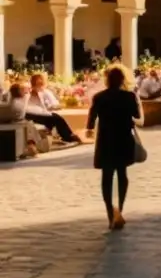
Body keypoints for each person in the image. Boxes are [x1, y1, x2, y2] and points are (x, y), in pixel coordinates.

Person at [85, 65, 144, 231]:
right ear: (123, 80)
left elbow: (91, 120)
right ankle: (120, 208)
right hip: (123, 137)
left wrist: (90, 129)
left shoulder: (99, 97)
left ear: (107, 80)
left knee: (107, 176)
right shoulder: (129, 96)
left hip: (105, 139)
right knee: (122, 173)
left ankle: (110, 212)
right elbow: (137, 116)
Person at [25, 73, 81, 144]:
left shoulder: (46, 93)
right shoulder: (27, 95)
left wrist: (50, 106)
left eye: (41, 83)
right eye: (37, 83)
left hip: (44, 114)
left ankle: (67, 136)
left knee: (57, 118)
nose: (39, 85)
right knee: (56, 118)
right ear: (33, 83)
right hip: (33, 115)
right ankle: (68, 136)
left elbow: (55, 104)